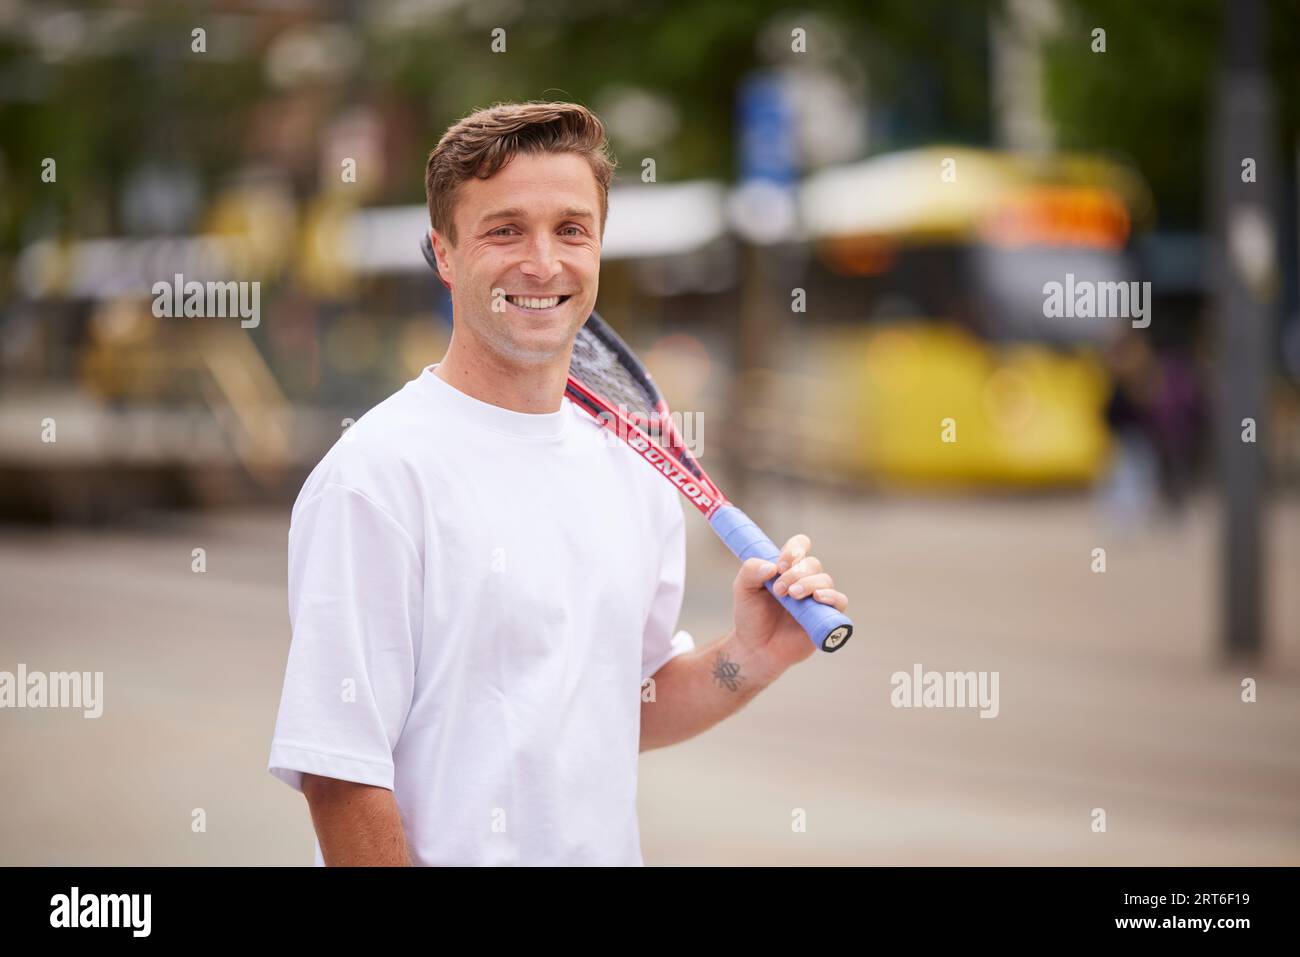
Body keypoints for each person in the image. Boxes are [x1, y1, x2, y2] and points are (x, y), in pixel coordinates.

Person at [267, 101, 849, 866]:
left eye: (571, 229)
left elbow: (623, 705)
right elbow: (339, 773)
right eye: (505, 230)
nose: (543, 263)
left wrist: (750, 655)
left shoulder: (629, 468)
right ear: (444, 253)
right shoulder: (374, 478)